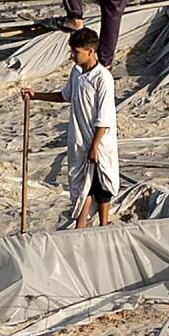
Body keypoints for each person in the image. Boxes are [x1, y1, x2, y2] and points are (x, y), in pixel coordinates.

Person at [53, 29, 122, 228]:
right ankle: (80, 227)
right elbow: (66, 95)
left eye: (76, 52)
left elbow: (104, 117)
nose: (72, 56)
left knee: (101, 185)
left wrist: (95, 146)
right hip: (79, 140)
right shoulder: (76, 73)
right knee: (83, 186)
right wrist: (35, 95)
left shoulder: (103, 78)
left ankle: (103, 224)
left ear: (90, 52)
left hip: (98, 143)